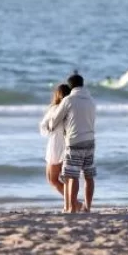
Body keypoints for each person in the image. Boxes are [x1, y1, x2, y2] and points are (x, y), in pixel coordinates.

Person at [47, 74, 97, 213]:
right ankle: (87, 207)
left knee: (71, 175)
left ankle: (70, 209)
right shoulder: (91, 100)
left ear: (71, 86)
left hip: (74, 141)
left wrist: (50, 125)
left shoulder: (68, 100)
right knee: (89, 176)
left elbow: (55, 120)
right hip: (90, 141)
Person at [39, 84, 71, 202]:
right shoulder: (71, 109)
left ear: (57, 94)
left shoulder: (55, 108)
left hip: (56, 145)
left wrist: (49, 128)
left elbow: (44, 127)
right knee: (59, 179)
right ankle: (71, 203)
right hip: (66, 145)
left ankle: (74, 203)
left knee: (53, 180)